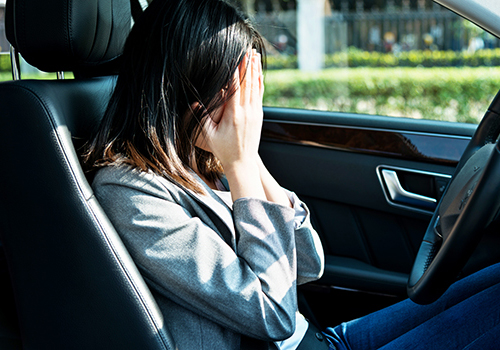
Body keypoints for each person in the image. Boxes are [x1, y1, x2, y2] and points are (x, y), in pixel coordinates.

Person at [84, 0, 500, 349]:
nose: (242, 111)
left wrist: (250, 159)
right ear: (185, 90)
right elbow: (272, 312)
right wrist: (242, 163)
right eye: (233, 93)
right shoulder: (130, 192)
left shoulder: (201, 158)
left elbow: (308, 262)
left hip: (320, 340)